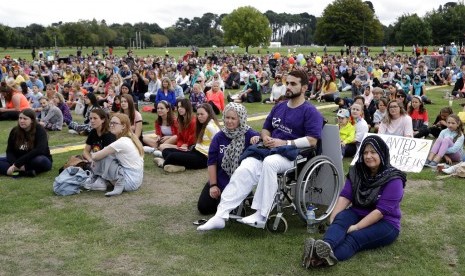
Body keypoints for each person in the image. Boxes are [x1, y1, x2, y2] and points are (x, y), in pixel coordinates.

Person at [198, 70, 324, 231]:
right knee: (247, 164)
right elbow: (265, 129)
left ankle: (261, 214)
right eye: (288, 83)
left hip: (293, 154)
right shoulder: (279, 106)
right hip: (269, 149)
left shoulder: (310, 111)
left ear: (305, 88)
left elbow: (312, 140)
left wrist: (284, 142)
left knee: (270, 163)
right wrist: (265, 138)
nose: (289, 87)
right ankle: (220, 215)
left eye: (293, 84)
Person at [303, 135, 406, 268]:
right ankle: (326, 246)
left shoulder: (394, 179)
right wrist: (333, 217)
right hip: (357, 212)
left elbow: (380, 212)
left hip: (386, 222)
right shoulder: (357, 172)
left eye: (373, 152)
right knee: (340, 221)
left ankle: (317, 259)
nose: (368, 156)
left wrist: (356, 227)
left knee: (354, 237)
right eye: (365, 152)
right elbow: (346, 196)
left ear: (382, 153)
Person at [197, 103, 259, 215]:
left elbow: (264, 141)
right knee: (204, 207)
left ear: (240, 119)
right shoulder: (219, 137)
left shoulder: (250, 134)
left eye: (233, 118)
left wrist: (258, 139)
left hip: (240, 182)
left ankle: (240, 199)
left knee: (227, 211)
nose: (229, 121)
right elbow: (211, 162)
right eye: (227, 117)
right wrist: (213, 185)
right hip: (220, 179)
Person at [154, 103, 220, 173]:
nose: (199, 116)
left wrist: (214, 161)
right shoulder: (203, 124)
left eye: (202, 114)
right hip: (195, 151)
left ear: (209, 114)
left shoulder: (211, 127)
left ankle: (163, 163)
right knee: (166, 151)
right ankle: (178, 166)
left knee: (172, 156)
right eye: (198, 114)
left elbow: (219, 144)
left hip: (204, 157)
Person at [89, 113, 144, 197]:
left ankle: (100, 181)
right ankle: (102, 180)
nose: (111, 125)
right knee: (108, 156)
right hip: (136, 181)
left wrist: (92, 157)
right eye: (110, 123)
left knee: (103, 158)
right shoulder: (130, 138)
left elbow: (96, 156)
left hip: (128, 183)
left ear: (123, 126)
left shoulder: (122, 142)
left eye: (115, 123)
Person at [0, 108, 53, 177]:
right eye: (20, 118)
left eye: (25, 119)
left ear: (32, 120)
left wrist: (17, 165)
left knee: (40, 160)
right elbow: (9, 151)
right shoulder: (15, 131)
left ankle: (14, 171)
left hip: (35, 159)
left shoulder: (40, 130)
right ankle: (25, 172)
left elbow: (39, 150)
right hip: (18, 159)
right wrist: (13, 163)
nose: (21, 121)